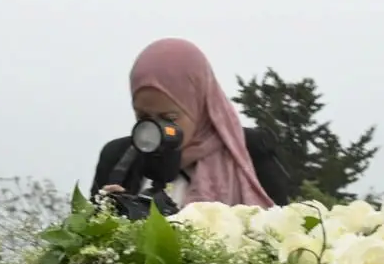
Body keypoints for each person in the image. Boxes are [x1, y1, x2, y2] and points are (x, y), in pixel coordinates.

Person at [93, 38, 289, 210]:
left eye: (169, 118)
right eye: (143, 117)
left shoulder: (249, 153)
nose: (155, 130)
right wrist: (107, 212)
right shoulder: (118, 159)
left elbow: (278, 229)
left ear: (199, 106)